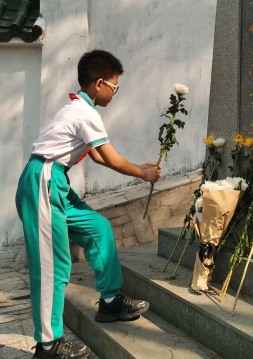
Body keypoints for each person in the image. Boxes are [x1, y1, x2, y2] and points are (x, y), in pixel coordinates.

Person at [16, 50, 161, 359]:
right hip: (43, 181)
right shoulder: (84, 113)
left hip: (55, 181)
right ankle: (48, 346)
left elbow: (98, 155)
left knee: (98, 228)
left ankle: (109, 302)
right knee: (53, 266)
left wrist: (138, 167)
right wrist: (143, 174)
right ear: (99, 83)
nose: (115, 92)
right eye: (114, 86)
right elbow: (111, 159)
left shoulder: (80, 109)